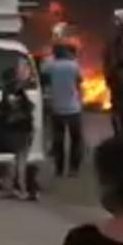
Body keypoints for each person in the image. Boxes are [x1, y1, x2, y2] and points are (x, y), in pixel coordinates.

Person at [41, 43, 84, 177]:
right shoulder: (73, 65)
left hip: (56, 108)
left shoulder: (50, 65)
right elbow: (79, 81)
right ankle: (73, 169)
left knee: (58, 141)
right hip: (73, 108)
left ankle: (59, 169)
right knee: (76, 140)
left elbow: (42, 75)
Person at [0, 58, 39, 200]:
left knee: (17, 158)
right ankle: (23, 189)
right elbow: (30, 107)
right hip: (23, 128)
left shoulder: (5, 92)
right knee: (22, 160)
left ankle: (10, 186)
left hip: (12, 129)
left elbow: (3, 111)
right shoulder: (19, 92)